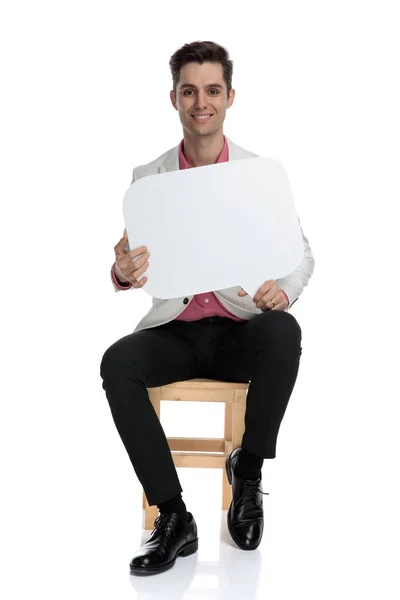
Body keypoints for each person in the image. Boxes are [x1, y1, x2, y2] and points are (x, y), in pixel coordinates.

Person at [100, 40, 315, 576]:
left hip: (238, 331)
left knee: (284, 330)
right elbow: (129, 259)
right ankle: (174, 518)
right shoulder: (147, 179)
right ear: (173, 98)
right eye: (189, 91)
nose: (202, 102)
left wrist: (281, 292)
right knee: (117, 362)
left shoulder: (255, 173)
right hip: (174, 332)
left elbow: (302, 256)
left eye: (212, 90)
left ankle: (247, 475)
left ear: (230, 97)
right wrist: (121, 273)